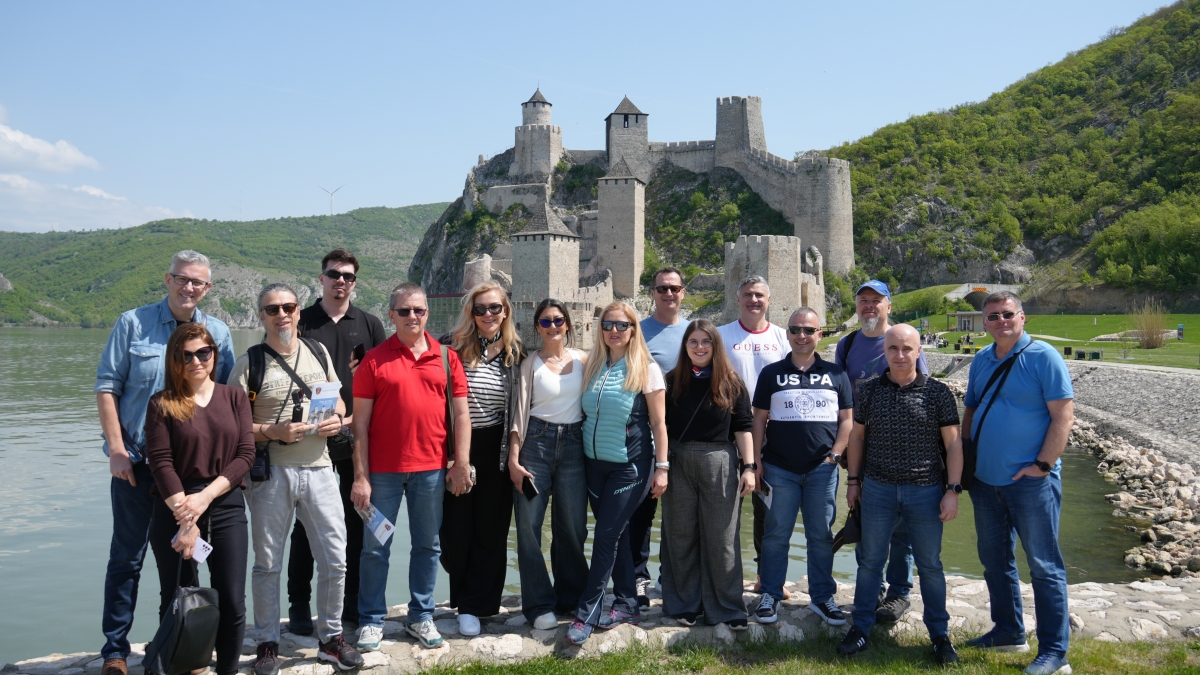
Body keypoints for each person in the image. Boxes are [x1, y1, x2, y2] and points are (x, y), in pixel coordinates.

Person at [93, 250, 235, 675]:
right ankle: (115, 652)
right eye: (182, 279)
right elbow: (107, 387)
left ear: (207, 288)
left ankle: (182, 647)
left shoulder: (218, 333)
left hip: (190, 475)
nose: (189, 287)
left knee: (185, 562)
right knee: (127, 559)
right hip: (136, 467)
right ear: (168, 279)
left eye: (197, 282)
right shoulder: (132, 324)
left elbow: (222, 398)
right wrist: (116, 449)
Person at [230, 284, 362, 675]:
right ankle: (267, 643)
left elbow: (338, 401)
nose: (282, 315)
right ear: (262, 316)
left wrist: (336, 419)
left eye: (288, 307)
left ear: (298, 312)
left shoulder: (318, 352)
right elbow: (233, 427)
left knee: (335, 559)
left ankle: (331, 639)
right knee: (268, 564)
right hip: (271, 474)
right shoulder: (249, 364)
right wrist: (273, 431)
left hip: (320, 468)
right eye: (273, 309)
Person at [352, 282, 472, 651]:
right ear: (392, 315)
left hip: (431, 470)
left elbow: (462, 415)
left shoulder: (447, 358)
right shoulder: (374, 360)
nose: (412, 316)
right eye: (404, 311)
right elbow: (359, 425)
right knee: (375, 548)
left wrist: (461, 462)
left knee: (428, 546)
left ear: (427, 313)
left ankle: (421, 616)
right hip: (383, 473)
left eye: (418, 310)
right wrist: (361, 477)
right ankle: (371, 620)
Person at [962, 292, 1075, 675]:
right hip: (984, 480)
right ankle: (1009, 631)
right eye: (992, 316)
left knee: (1044, 565)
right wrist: (965, 458)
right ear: (984, 322)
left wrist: (1042, 465)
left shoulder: (1044, 357)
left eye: (1007, 314)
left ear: (1022, 317)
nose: (1000, 321)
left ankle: (1055, 651)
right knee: (995, 560)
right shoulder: (981, 359)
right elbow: (972, 408)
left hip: (1031, 483)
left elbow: (1063, 416)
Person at [838, 324, 962, 664]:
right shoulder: (870, 391)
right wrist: (853, 482)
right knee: (870, 563)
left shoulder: (937, 393)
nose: (900, 355)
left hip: (925, 491)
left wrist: (953, 490)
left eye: (907, 348)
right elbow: (857, 438)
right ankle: (861, 628)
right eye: (893, 348)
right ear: (885, 352)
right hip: (877, 489)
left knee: (930, 565)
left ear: (919, 351)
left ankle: (939, 635)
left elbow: (953, 445)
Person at [144, 323, 255, 675]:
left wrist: (204, 498)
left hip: (224, 504)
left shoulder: (235, 398)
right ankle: (182, 666)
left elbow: (245, 455)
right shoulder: (161, 403)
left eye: (203, 353)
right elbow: (160, 463)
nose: (195, 361)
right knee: (179, 596)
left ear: (214, 354)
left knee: (232, 599)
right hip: (174, 508)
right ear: (174, 360)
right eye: (186, 355)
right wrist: (187, 519)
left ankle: (227, 670)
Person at [287, 248, 387, 635]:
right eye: (334, 274)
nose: (340, 281)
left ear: (355, 282)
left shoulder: (370, 324)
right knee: (305, 525)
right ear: (322, 278)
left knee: (356, 520)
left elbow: (383, 383)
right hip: (311, 439)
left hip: (357, 436)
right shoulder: (302, 321)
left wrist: (349, 419)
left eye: (348, 276)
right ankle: (299, 604)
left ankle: (351, 604)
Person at [565, 302, 669, 646]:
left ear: (633, 329)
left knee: (605, 536)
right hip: (594, 466)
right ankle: (627, 604)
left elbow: (659, 424)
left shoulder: (646, 369)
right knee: (617, 534)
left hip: (631, 466)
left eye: (622, 325)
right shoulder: (593, 365)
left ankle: (587, 613)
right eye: (608, 325)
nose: (614, 331)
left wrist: (663, 468)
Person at [833, 280, 929, 624]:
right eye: (863, 300)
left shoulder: (904, 338)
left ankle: (899, 592)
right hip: (861, 448)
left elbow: (923, 393)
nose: (869, 306)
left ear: (889, 306)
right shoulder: (846, 345)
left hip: (904, 449)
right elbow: (841, 399)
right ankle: (871, 588)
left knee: (902, 529)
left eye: (876, 300)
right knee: (864, 521)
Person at [751, 307, 853, 626]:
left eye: (808, 330)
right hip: (779, 468)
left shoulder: (836, 374)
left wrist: (835, 456)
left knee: (820, 535)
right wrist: (755, 462)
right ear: (787, 334)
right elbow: (758, 420)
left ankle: (822, 597)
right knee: (775, 534)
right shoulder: (771, 374)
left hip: (822, 470)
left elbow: (847, 421)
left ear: (819, 334)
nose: (801, 335)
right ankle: (770, 594)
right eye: (795, 329)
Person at [438, 281, 523, 637]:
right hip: (456, 447)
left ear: (505, 311)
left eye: (494, 308)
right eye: (480, 309)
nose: (488, 314)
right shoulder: (450, 347)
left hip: (496, 448)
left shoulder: (516, 354)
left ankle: (477, 605)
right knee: (454, 529)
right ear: (470, 313)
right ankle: (461, 597)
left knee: (491, 529)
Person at [659, 319, 755, 629]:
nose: (699, 347)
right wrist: (662, 465)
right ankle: (684, 604)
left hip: (720, 461)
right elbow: (661, 426)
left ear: (715, 345)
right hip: (679, 460)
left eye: (706, 341)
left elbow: (743, 427)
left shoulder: (731, 382)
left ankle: (727, 607)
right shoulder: (672, 381)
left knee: (722, 538)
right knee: (680, 535)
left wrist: (749, 467)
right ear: (685, 346)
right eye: (693, 342)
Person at [508, 299, 589, 631]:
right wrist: (514, 459)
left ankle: (572, 597)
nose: (552, 326)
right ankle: (539, 605)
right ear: (537, 327)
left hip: (574, 446)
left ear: (567, 324)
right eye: (545, 321)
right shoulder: (530, 364)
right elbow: (519, 414)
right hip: (535, 446)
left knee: (573, 526)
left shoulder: (584, 360)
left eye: (557, 320)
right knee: (529, 527)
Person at [716, 275, 791, 592]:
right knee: (724, 508)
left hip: (772, 434)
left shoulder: (782, 337)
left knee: (767, 509)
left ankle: (765, 576)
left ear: (769, 300)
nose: (754, 300)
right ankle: (723, 579)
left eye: (759, 295)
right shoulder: (721, 335)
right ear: (738, 299)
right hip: (728, 432)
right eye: (747, 294)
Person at [629, 267, 691, 607]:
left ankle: (673, 576)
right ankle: (638, 578)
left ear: (683, 293)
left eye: (674, 288)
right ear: (652, 293)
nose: (669, 294)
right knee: (642, 511)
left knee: (680, 514)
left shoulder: (695, 333)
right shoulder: (636, 333)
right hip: (647, 435)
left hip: (687, 436)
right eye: (662, 288)